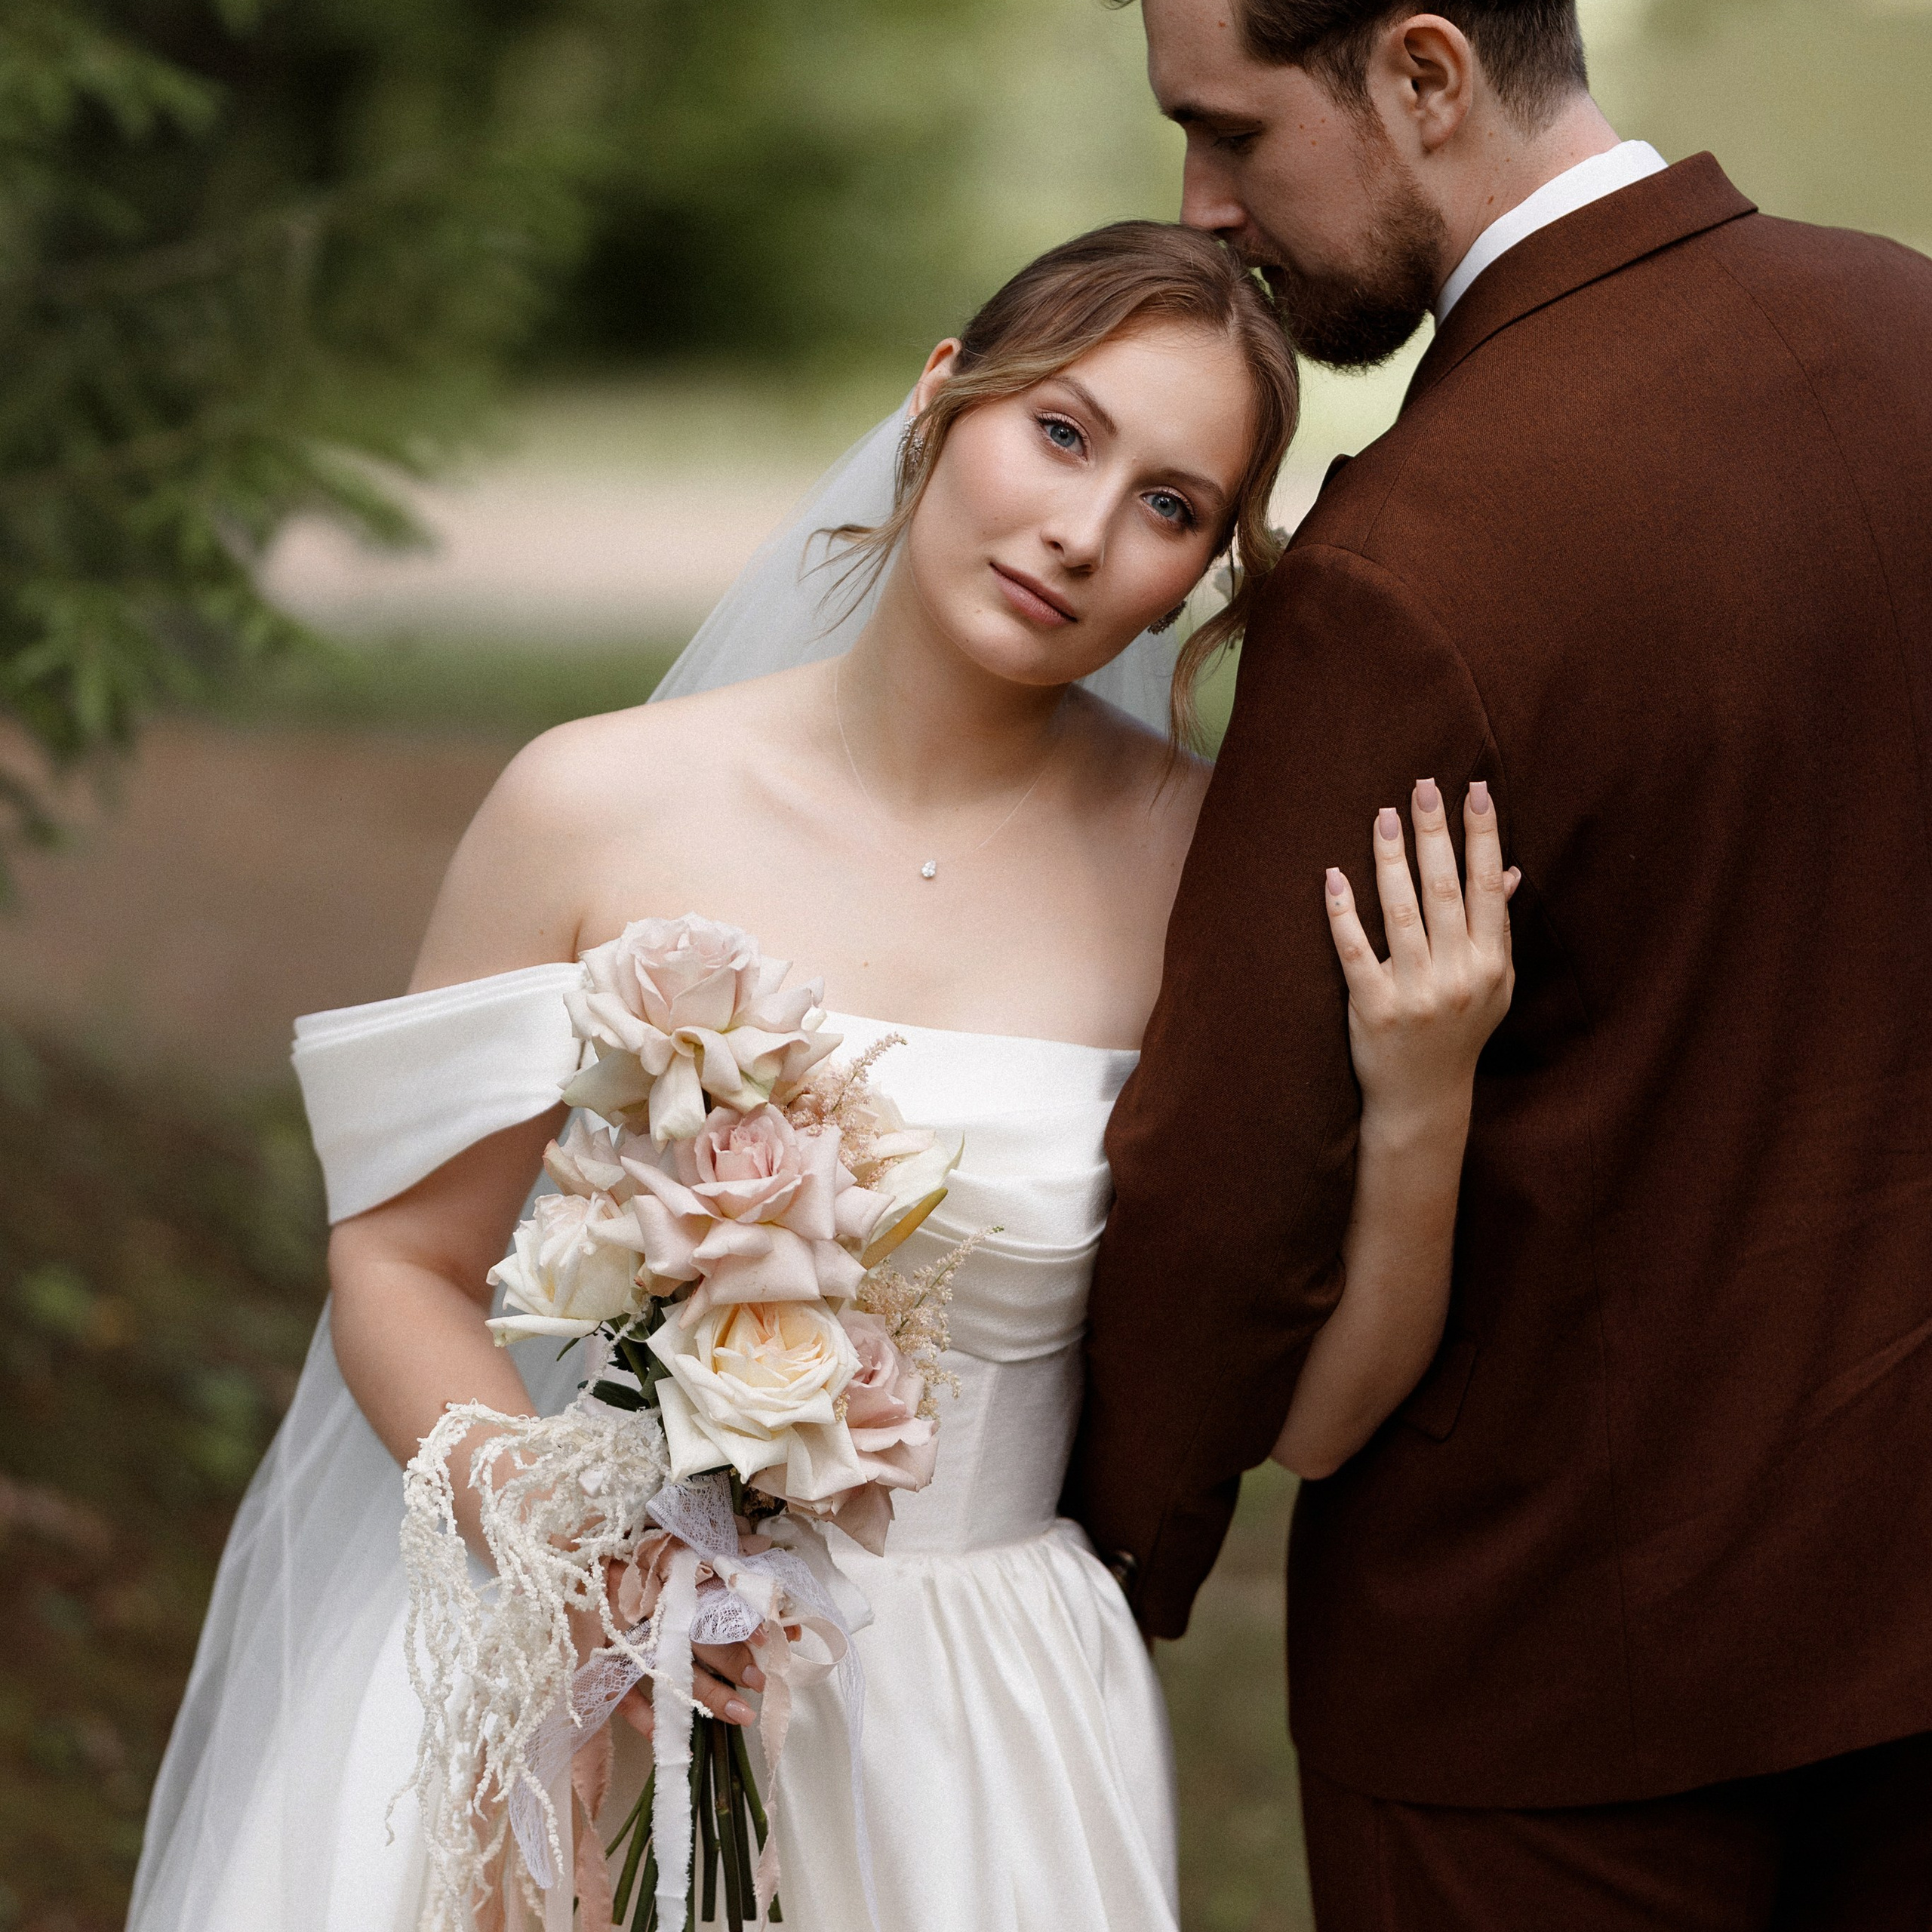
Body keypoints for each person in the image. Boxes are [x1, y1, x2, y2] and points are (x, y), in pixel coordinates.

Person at [128, 220, 1515, 1932]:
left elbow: (1311, 1414)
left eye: (1169, 505)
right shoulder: (593, 802)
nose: (1080, 532)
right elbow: (400, 1259)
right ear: (941, 400)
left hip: (974, 1716)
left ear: (1207, 572)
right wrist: (571, 1559)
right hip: (599, 1659)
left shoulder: (1201, 883)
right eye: (1059, 432)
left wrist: (1423, 1091)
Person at [1068, 2, 1932, 1925]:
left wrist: (1080, 1567)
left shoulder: (1414, 567)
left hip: (1553, 1677)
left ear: (1423, 77)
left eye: (1226, 133)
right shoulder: (1915, 326)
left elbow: (1231, 1184)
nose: (1203, 208)